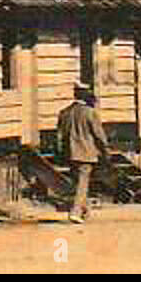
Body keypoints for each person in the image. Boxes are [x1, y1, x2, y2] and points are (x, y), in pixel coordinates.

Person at [56, 82, 108, 224]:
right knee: (82, 183)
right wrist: (105, 150)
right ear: (85, 95)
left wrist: (60, 153)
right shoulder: (90, 113)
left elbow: (59, 136)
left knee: (78, 182)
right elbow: (99, 135)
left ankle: (85, 210)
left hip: (69, 154)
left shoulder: (64, 113)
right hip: (86, 153)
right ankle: (76, 211)